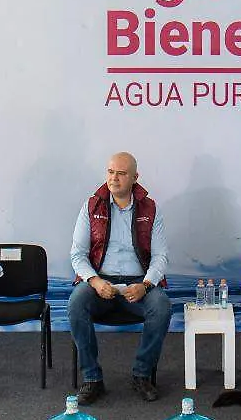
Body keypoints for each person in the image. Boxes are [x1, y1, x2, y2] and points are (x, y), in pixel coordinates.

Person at [68, 152, 171, 405]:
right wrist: (95, 281)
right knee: (76, 303)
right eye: (110, 172)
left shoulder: (150, 208)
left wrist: (145, 285)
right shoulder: (91, 206)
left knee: (161, 306)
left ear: (135, 177)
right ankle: (92, 378)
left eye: (121, 173)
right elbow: (78, 254)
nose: (114, 178)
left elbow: (161, 256)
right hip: (100, 282)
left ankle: (142, 375)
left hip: (138, 283)